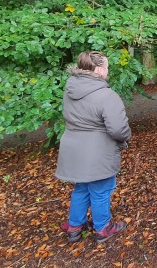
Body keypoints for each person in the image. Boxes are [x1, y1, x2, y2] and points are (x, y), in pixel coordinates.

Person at [55, 51, 131, 244]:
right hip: (98, 152)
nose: (108, 71)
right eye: (106, 67)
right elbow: (118, 129)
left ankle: (75, 226)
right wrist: (125, 139)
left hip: (73, 148)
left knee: (81, 187)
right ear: (98, 70)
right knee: (101, 190)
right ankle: (103, 227)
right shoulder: (106, 95)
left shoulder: (69, 91)